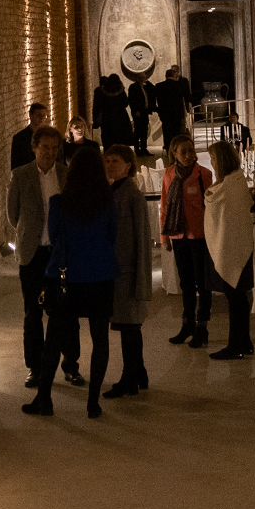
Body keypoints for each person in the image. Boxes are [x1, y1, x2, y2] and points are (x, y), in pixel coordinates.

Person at [26, 140, 117, 418]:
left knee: (54, 339)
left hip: (67, 277)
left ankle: (44, 398)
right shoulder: (107, 201)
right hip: (100, 276)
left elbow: (55, 239)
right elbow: (112, 236)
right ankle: (93, 403)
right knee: (100, 340)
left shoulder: (59, 203)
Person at [7, 128, 80, 389]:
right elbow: (12, 215)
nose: (50, 152)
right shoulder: (20, 175)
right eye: (45, 147)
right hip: (33, 254)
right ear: (34, 147)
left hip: (59, 253)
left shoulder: (66, 174)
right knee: (32, 313)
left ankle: (71, 365)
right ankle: (35, 368)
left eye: (54, 147)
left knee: (66, 311)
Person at [104, 144, 155, 397]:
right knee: (127, 326)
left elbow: (142, 239)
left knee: (129, 327)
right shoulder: (114, 191)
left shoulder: (131, 195)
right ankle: (139, 372)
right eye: (107, 161)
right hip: (117, 271)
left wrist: (141, 279)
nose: (110, 165)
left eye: (115, 161)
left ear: (128, 166)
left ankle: (129, 378)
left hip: (128, 272)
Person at [159, 133, 214, 347]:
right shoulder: (168, 174)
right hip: (178, 234)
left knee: (202, 281)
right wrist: (165, 237)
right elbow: (164, 207)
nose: (189, 155)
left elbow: (210, 206)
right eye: (184, 151)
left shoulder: (204, 174)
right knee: (186, 282)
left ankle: (202, 326)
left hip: (199, 235)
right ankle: (187, 323)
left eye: (191, 150)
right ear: (174, 154)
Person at [203, 140, 255, 359]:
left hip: (233, 246)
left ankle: (236, 345)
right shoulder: (232, 181)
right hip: (231, 244)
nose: (212, 163)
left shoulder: (232, 184)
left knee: (236, 298)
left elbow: (230, 214)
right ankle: (244, 341)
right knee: (237, 297)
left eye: (214, 159)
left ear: (221, 160)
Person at [94, 74, 137, 149]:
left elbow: (97, 106)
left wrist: (95, 120)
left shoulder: (100, 91)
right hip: (120, 117)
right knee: (121, 140)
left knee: (108, 140)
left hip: (107, 118)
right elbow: (125, 103)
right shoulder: (120, 90)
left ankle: (108, 153)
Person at [154, 66, 192, 150]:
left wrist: (156, 109)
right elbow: (187, 97)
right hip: (177, 113)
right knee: (176, 133)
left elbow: (153, 98)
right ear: (174, 76)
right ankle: (176, 150)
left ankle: (168, 150)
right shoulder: (179, 85)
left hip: (164, 113)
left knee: (167, 133)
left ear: (165, 76)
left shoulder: (159, 86)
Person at [10, 103, 49, 171]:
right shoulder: (19, 138)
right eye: (38, 115)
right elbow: (15, 166)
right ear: (30, 115)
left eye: (43, 115)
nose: (41, 118)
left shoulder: (49, 137)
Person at [127, 71, 155, 157]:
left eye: (144, 78)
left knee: (144, 131)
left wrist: (147, 82)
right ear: (137, 78)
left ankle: (144, 149)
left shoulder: (145, 87)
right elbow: (131, 100)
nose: (143, 79)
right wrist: (135, 110)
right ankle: (137, 150)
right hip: (138, 112)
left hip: (144, 111)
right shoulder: (133, 87)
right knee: (137, 131)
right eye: (141, 78)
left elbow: (153, 89)